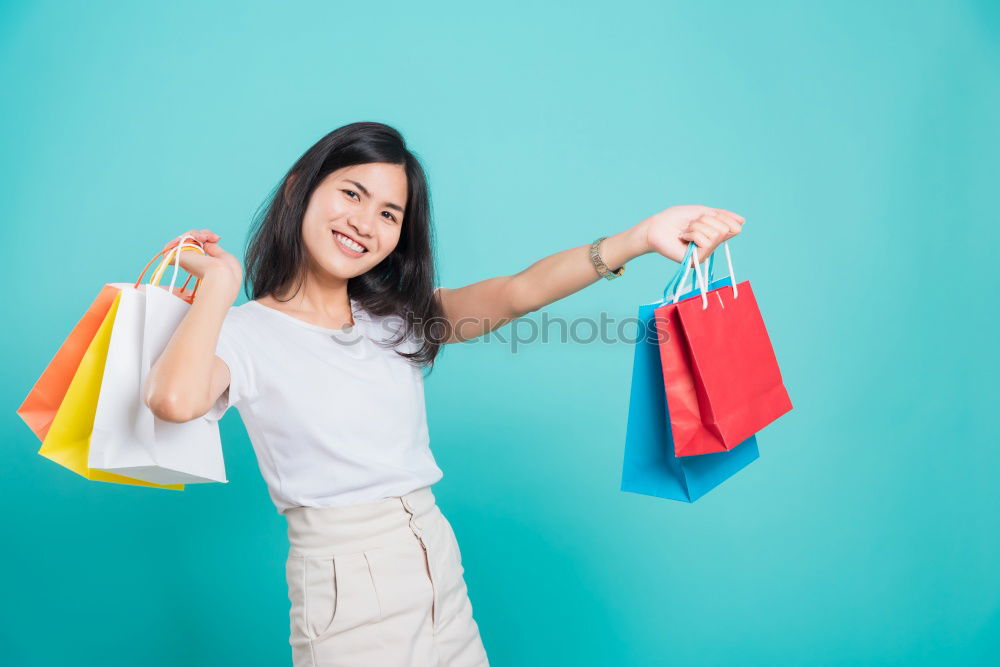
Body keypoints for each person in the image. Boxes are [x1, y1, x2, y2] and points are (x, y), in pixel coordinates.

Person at [143, 121, 744, 666]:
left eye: (388, 213)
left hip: (434, 558)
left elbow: (518, 292)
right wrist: (221, 285)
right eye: (351, 193)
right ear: (301, 187)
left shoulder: (394, 319)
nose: (363, 222)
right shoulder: (246, 332)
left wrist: (640, 237)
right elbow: (173, 402)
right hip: (345, 583)